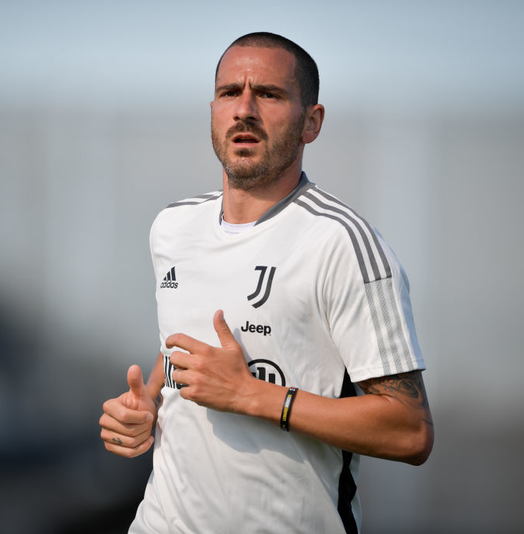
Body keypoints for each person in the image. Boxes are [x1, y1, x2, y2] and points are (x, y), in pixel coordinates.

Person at [99, 32, 434, 534]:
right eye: (230, 93)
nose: (244, 110)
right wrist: (146, 405)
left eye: (270, 94)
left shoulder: (341, 243)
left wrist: (253, 396)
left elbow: (410, 431)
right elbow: (180, 355)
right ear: (213, 110)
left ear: (312, 123)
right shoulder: (172, 228)